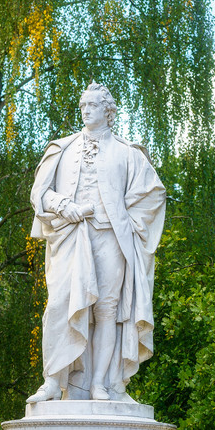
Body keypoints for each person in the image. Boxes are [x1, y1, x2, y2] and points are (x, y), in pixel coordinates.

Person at [26, 83, 166, 404]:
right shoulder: (61, 148)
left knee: (106, 310)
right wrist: (65, 206)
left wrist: (127, 223)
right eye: (82, 105)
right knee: (60, 303)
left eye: (92, 105)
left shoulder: (128, 153)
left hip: (110, 238)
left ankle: (101, 383)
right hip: (71, 236)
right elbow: (40, 193)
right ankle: (53, 380)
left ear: (108, 111)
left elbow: (152, 195)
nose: (85, 110)